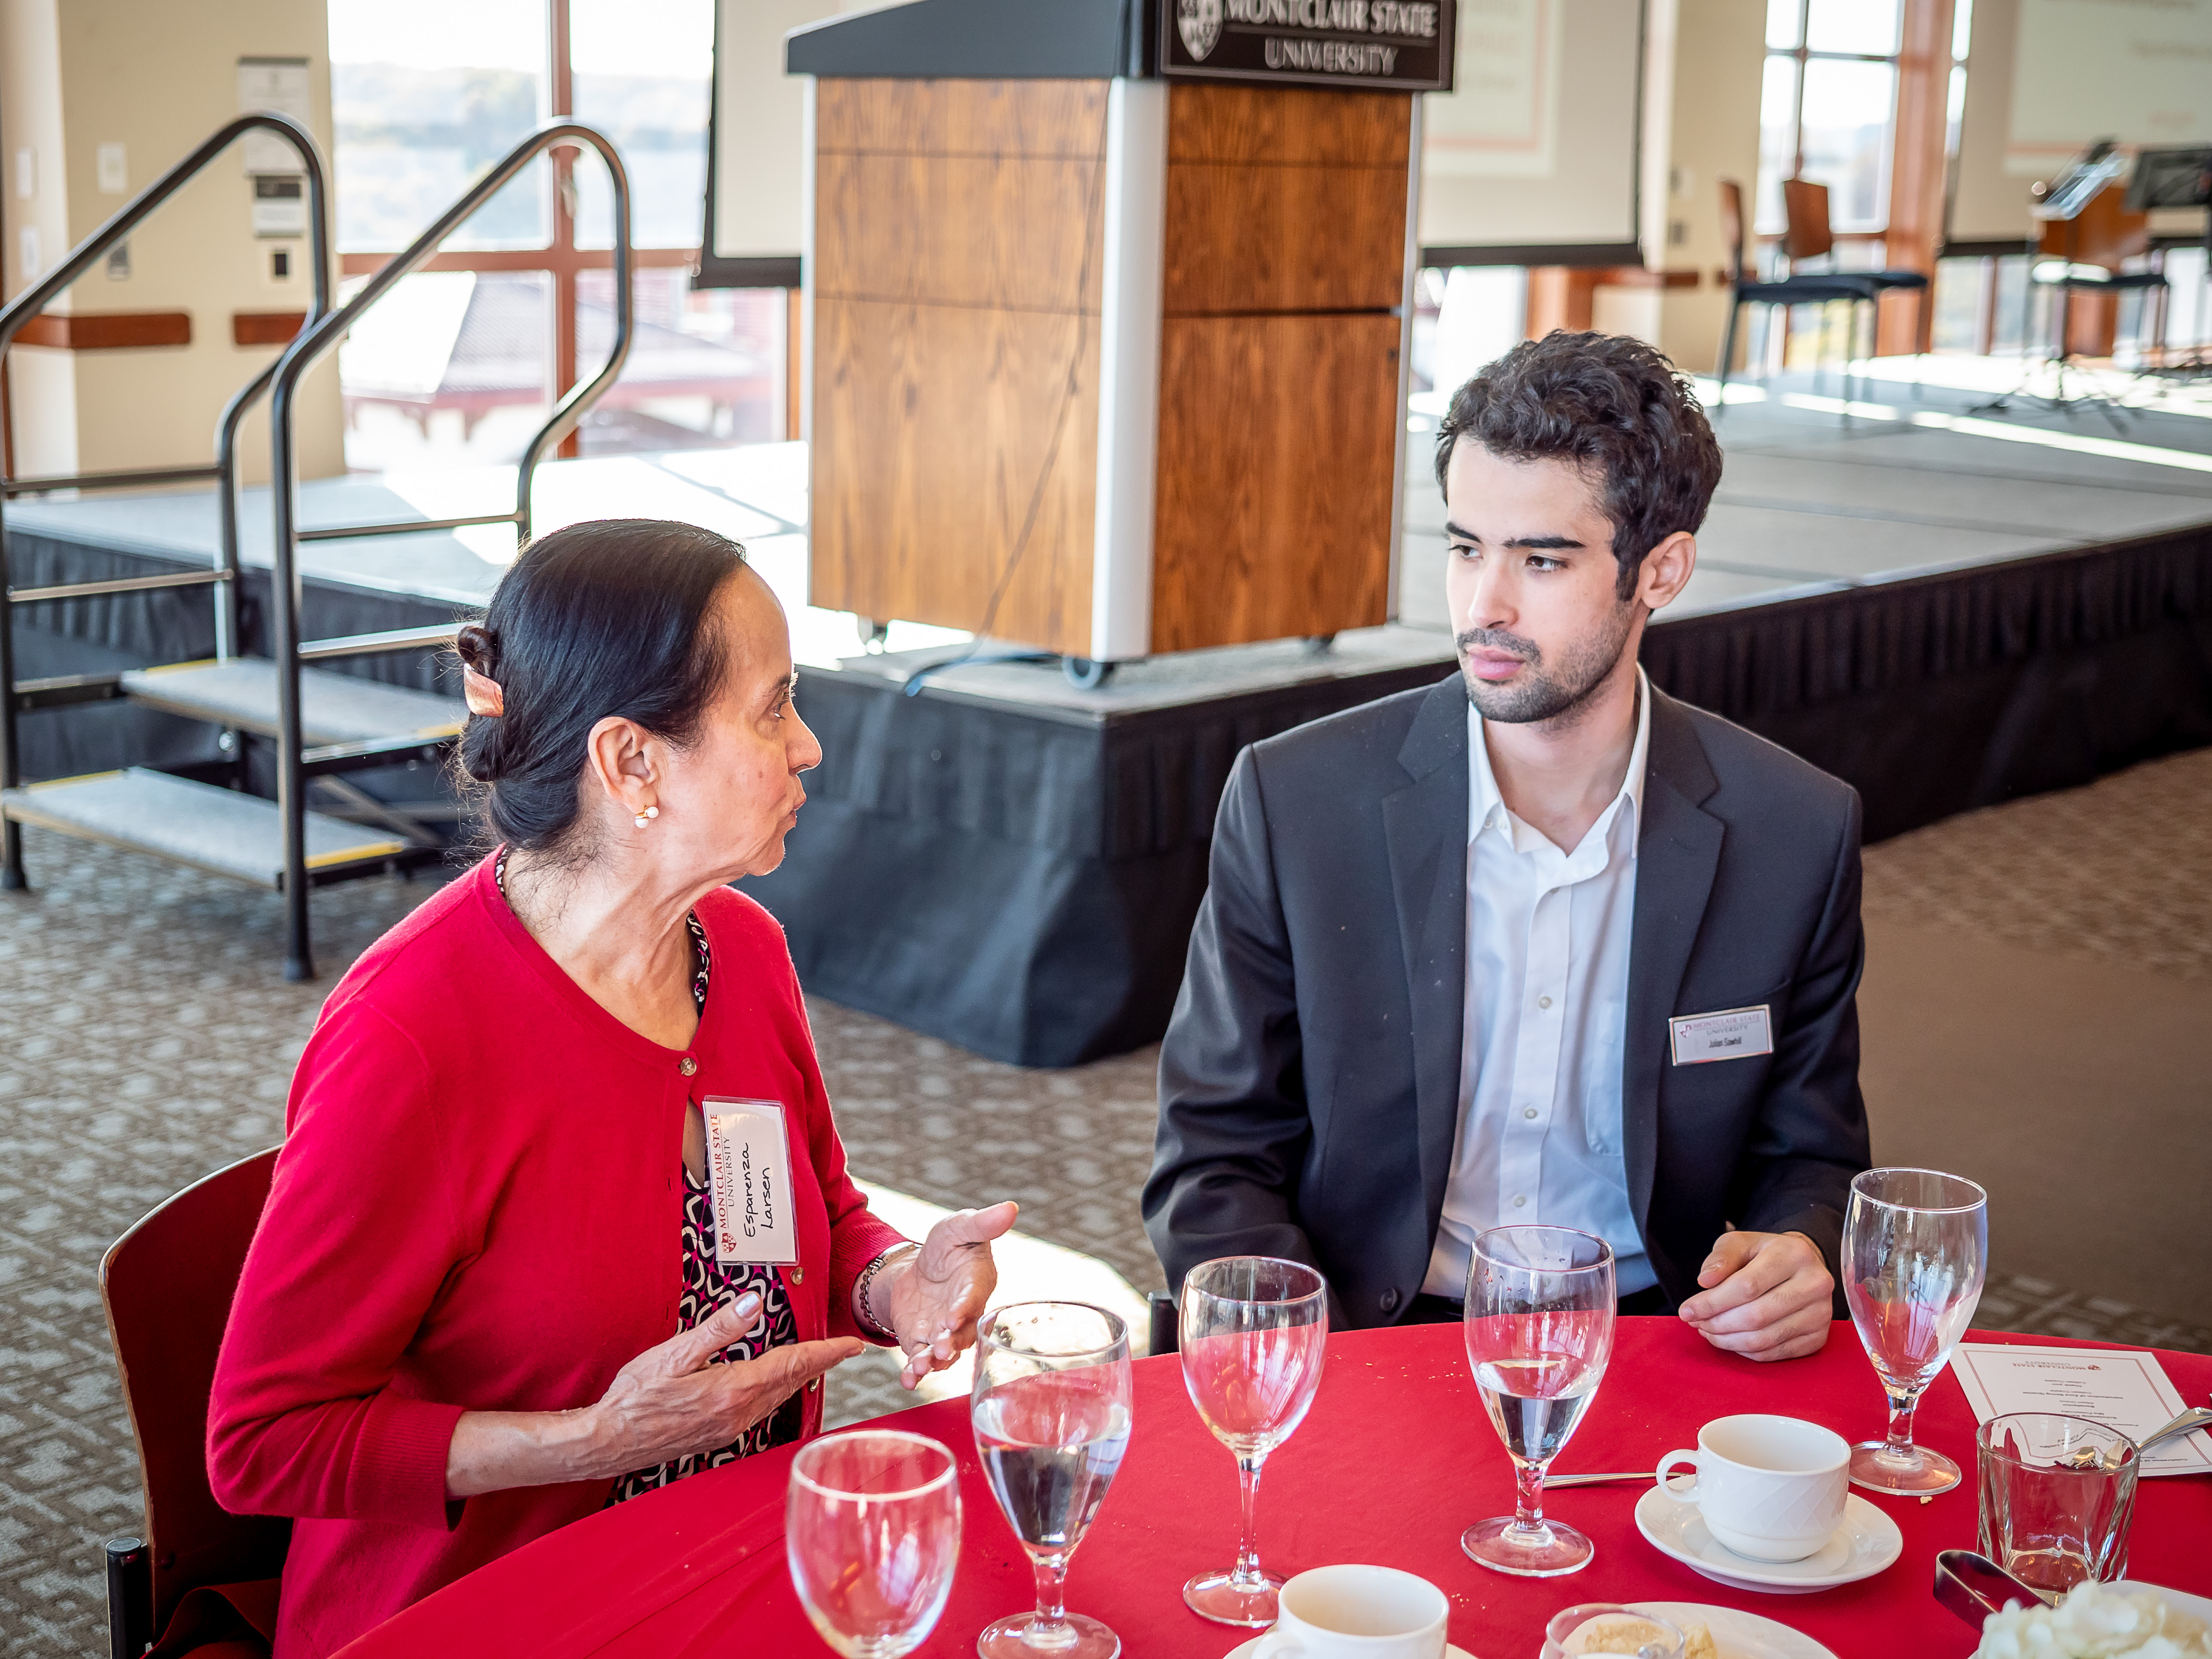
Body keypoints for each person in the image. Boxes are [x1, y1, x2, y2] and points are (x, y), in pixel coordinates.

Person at [208, 520, 1017, 1659]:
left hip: (730, 1570)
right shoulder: (412, 1037)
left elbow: (810, 1213)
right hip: (486, 1616)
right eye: (772, 708)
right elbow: (263, 1441)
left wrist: (894, 1284)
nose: (809, 746)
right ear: (631, 761)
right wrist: (589, 1440)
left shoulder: (739, 949)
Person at [1144, 332, 1871, 1361]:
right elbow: (1211, 1161)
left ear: (1659, 570)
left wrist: (1802, 1247)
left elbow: (1813, 1156)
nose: (1483, 604)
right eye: (1464, 546)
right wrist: (1322, 1370)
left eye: (1540, 558)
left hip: (1661, 1340)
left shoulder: (1793, 828)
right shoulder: (1296, 801)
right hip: (1370, 1340)